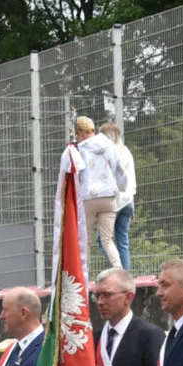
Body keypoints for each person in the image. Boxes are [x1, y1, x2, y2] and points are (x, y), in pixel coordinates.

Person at [75, 116, 128, 270]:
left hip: (88, 196)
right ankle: (119, 269)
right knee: (107, 239)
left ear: (82, 133)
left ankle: (83, 272)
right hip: (109, 195)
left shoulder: (80, 148)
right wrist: (121, 187)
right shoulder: (108, 144)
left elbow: (77, 172)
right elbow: (119, 169)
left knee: (85, 240)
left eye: (77, 135)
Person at [99, 123, 135, 271]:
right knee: (122, 240)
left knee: (103, 240)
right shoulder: (126, 151)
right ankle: (126, 274)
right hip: (128, 200)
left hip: (113, 200)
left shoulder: (108, 153)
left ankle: (119, 269)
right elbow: (131, 178)